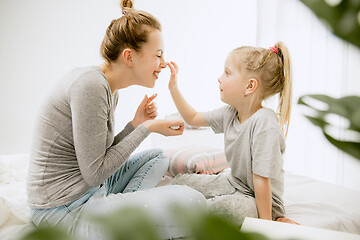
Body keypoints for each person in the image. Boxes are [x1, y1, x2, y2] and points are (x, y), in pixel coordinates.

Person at [27, 0, 205, 239]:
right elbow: (95, 173)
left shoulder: (108, 87)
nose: (163, 64)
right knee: (194, 202)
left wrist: (134, 124)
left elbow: (100, 156)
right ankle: (118, 217)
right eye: (158, 55)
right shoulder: (90, 86)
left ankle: (119, 213)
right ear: (129, 56)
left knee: (157, 156)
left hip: (90, 190)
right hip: (62, 210)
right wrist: (146, 128)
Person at [167, 42, 299, 225]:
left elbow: (261, 180)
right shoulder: (230, 113)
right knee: (180, 182)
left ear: (250, 86)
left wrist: (268, 224)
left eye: (227, 73)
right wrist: (174, 89)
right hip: (235, 183)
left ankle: (177, 222)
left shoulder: (264, 123)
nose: (219, 78)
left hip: (259, 201)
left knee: (219, 211)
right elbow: (193, 117)